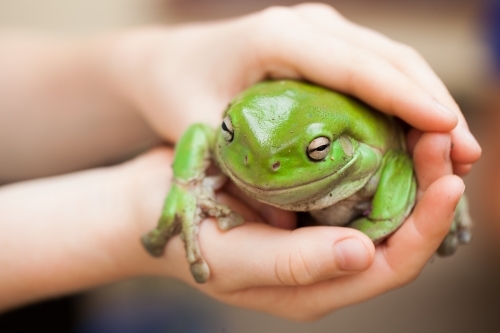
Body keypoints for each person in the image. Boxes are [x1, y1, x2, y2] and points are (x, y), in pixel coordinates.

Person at [0, 3, 480, 321]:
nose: (257, 164)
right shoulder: (228, 129)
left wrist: (142, 62)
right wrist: (171, 191)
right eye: (234, 133)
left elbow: (394, 160)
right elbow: (203, 134)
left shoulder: (360, 149)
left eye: (315, 150)